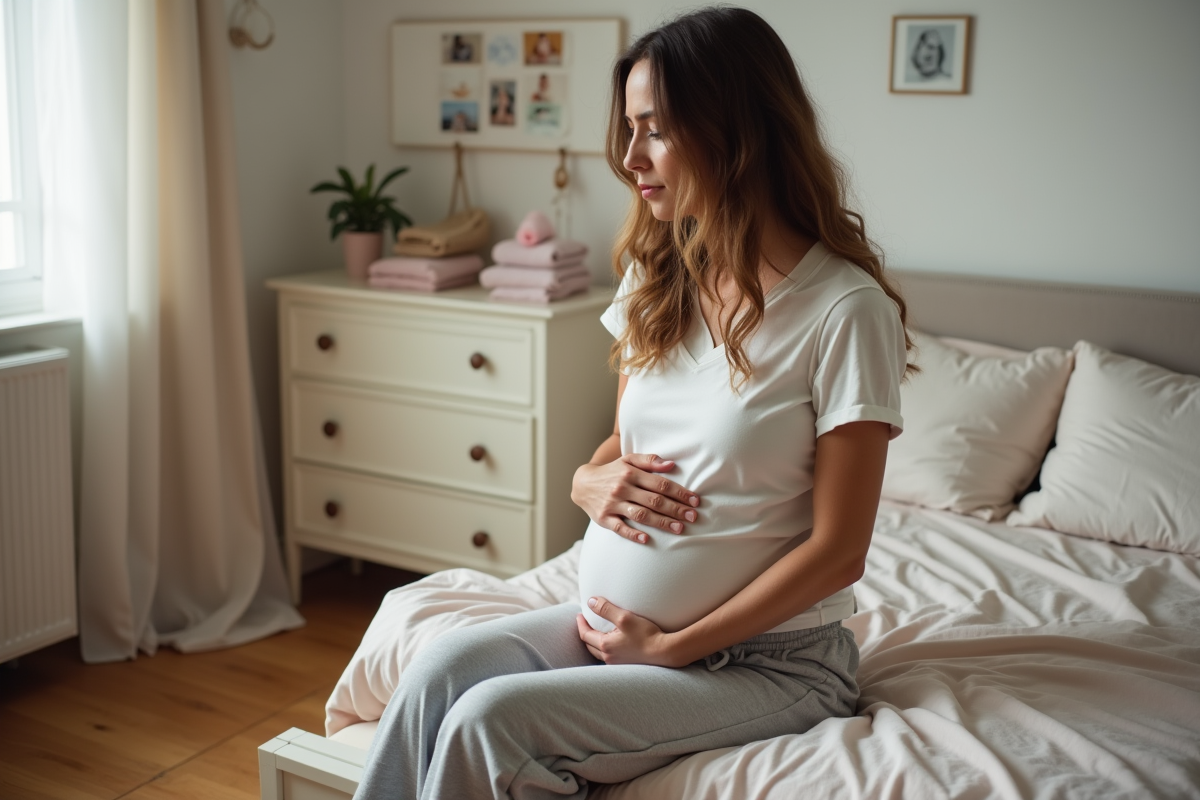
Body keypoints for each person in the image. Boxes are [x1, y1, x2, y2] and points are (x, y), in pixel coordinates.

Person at [354, 7, 915, 799]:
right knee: (440, 667)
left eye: (654, 129)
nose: (629, 156)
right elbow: (620, 446)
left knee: (490, 721)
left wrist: (675, 646)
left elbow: (839, 550)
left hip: (771, 663)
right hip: (617, 631)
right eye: (628, 128)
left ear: (735, 130)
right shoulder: (657, 278)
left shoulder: (844, 311)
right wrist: (584, 481)